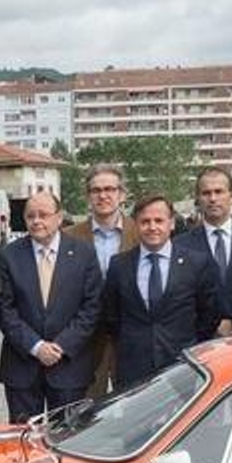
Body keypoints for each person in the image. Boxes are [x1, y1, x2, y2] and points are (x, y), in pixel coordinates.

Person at [0, 191, 103, 422]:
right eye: (30, 216)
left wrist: (61, 346)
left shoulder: (84, 253)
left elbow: (92, 308)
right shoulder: (8, 255)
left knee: (69, 440)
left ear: (59, 217)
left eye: (43, 215)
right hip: (22, 367)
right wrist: (36, 346)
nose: (36, 221)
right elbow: (4, 309)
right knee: (23, 442)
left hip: (69, 368)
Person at [100, 195, 221, 389]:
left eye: (159, 220)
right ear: (136, 224)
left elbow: (209, 315)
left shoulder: (197, 263)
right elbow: (112, 316)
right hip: (134, 370)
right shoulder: (119, 265)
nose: (152, 227)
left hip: (183, 366)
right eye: (145, 221)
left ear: (171, 223)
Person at [65, 164, 139, 395]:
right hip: (84, 341)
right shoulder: (68, 237)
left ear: (122, 195)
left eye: (110, 189)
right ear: (88, 196)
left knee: (135, 407)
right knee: (84, 413)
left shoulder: (142, 233)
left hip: (129, 337)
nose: (103, 195)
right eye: (96, 190)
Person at [174, 166, 232, 334]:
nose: (213, 198)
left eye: (219, 192)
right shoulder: (180, 245)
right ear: (198, 199)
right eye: (206, 193)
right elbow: (180, 296)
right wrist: (212, 325)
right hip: (200, 339)